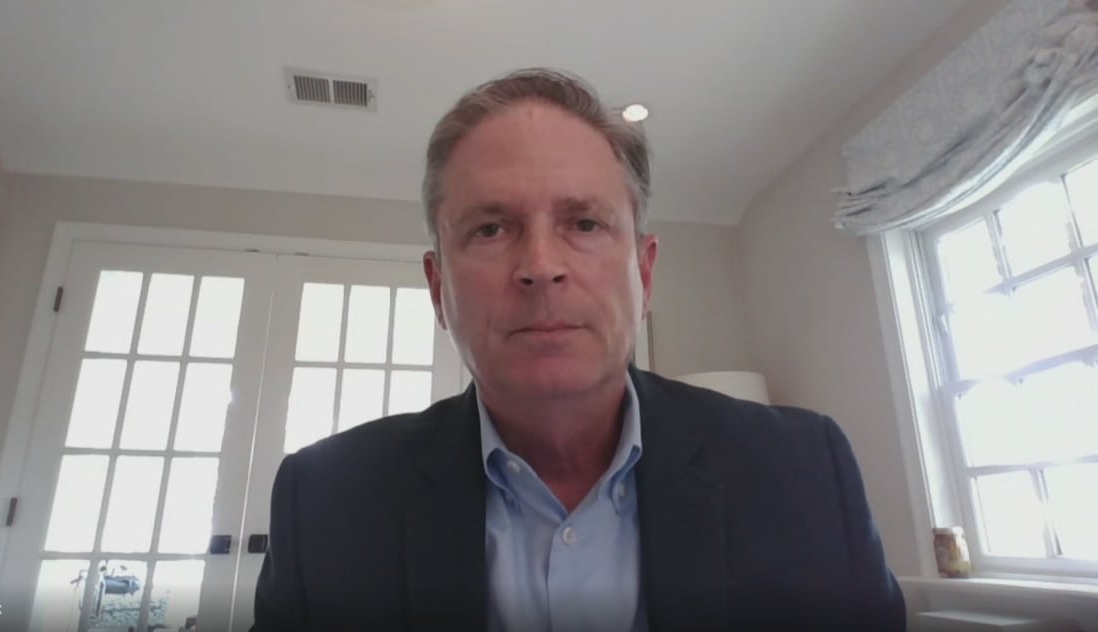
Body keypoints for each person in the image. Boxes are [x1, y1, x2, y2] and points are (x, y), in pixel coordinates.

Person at [251, 68, 905, 631]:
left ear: (644, 274)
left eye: (584, 223)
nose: (540, 266)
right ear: (436, 285)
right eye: (489, 228)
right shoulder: (325, 505)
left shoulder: (804, 472)